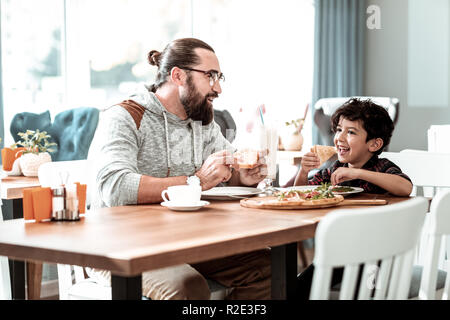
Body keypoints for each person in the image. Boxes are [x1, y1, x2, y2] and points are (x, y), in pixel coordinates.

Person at [87, 38, 271, 300]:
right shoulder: (124, 116)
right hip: (119, 247)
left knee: (268, 267)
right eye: (210, 76)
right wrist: (195, 181)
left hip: (186, 241)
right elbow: (115, 187)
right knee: (187, 287)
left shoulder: (202, 121)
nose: (217, 88)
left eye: (220, 77)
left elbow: (225, 173)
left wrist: (245, 176)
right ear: (178, 75)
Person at [294, 97, 413, 299]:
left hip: (376, 260)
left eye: (350, 132)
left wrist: (358, 173)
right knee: (295, 289)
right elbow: (301, 195)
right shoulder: (335, 170)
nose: (339, 138)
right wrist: (303, 172)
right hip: (338, 255)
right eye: (339, 129)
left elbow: (405, 186)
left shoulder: (381, 167)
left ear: (374, 144)